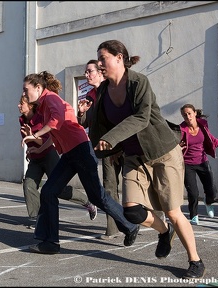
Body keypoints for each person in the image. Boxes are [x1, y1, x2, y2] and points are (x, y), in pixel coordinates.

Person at [91, 39, 205, 279]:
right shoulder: (103, 90)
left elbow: (142, 118)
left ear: (119, 57)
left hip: (162, 152)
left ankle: (195, 260)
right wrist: (104, 147)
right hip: (134, 155)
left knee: (173, 211)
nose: (100, 63)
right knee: (131, 212)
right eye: (98, 59)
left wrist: (112, 138)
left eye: (103, 58)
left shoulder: (138, 82)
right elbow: (100, 123)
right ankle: (164, 232)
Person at [21, 71, 140, 255]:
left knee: (97, 196)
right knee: (49, 191)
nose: (23, 94)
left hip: (81, 151)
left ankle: (130, 225)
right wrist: (38, 147)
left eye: (25, 89)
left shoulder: (51, 99)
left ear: (38, 88)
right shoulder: (44, 104)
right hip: (70, 153)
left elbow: (56, 121)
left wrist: (35, 134)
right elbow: (56, 132)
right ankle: (50, 242)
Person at [18, 94, 97, 227]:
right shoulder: (22, 120)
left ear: (30, 105)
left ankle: (87, 202)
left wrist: (32, 137)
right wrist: (30, 148)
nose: (19, 106)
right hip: (35, 158)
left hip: (49, 154)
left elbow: (48, 140)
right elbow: (29, 139)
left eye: (21, 103)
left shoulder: (41, 117)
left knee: (59, 189)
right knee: (29, 185)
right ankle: (38, 219)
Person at [77, 59, 123, 240]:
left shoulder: (112, 89)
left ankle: (156, 218)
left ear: (100, 73)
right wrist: (81, 112)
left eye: (90, 71)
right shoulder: (90, 95)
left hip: (125, 145)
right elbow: (84, 123)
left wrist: (120, 144)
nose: (86, 75)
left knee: (138, 184)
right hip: (106, 148)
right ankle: (113, 228)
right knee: (110, 187)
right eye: (86, 72)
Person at [179, 104, 218, 225]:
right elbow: (175, 144)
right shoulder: (181, 129)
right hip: (187, 164)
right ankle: (194, 216)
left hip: (203, 161)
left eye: (189, 113)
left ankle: (208, 202)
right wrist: (178, 147)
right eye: (184, 115)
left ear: (194, 113)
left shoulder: (203, 124)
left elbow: (210, 137)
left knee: (212, 191)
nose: (187, 117)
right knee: (193, 192)